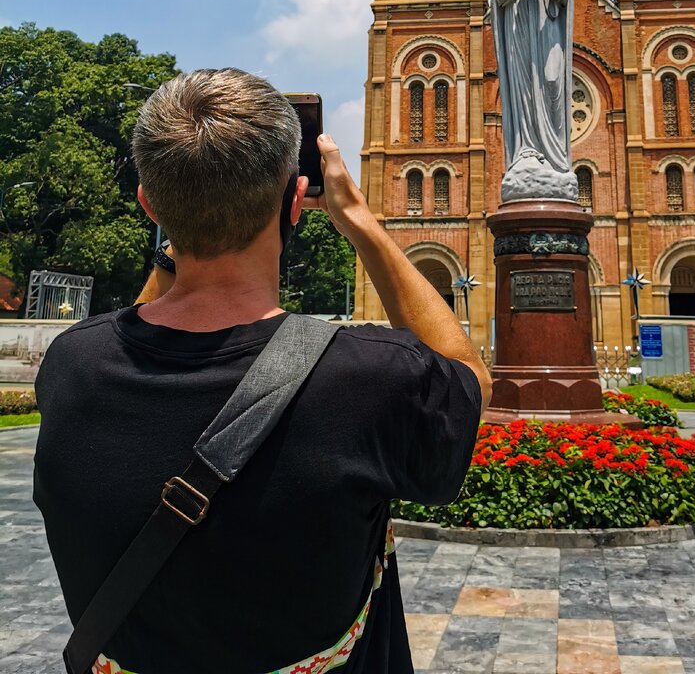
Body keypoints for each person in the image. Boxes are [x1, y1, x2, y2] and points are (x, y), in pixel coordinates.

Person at [33, 68, 490, 674]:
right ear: (297, 203)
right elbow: (469, 381)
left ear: (148, 205)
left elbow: (138, 323)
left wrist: (180, 229)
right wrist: (359, 221)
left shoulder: (70, 367)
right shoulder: (370, 381)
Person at [491, 0, 576, 201]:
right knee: (525, 91)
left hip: (547, 31)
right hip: (519, 36)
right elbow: (497, 2)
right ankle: (527, 149)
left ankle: (554, 156)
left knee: (552, 82)